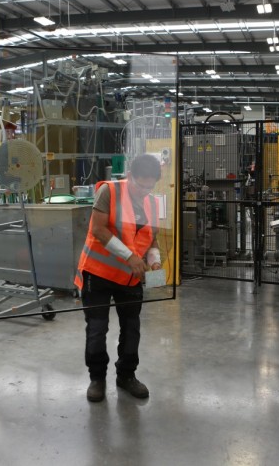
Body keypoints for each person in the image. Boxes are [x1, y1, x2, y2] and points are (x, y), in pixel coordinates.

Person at [74, 154, 162, 402]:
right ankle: (97, 378)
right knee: (97, 328)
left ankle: (126, 376)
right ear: (130, 176)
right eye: (140, 184)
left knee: (132, 327)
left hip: (130, 278)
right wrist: (130, 257)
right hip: (98, 273)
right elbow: (98, 230)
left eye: (150, 185)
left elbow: (151, 238)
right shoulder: (109, 192)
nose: (144, 190)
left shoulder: (153, 203)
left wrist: (154, 259)